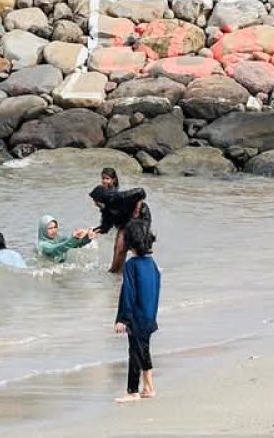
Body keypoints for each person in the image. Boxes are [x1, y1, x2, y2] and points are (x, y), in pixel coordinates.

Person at [114, 219, 161, 404]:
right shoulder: (153, 265)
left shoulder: (131, 265)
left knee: (135, 352)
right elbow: (156, 290)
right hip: (149, 315)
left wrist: (123, 319)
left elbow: (128, 293)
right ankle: (149, 387)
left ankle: (132, 391)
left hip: (137, 316)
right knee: (144, 350)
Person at [90, 168, 150, 274]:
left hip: (141, 217)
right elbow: (105, 227)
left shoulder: (117, 197)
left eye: (96, 201)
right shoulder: (107, 209)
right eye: (103, 178)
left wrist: (136, 212)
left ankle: (144, 270)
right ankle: (115, 274)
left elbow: (141, 192)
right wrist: (91, 232)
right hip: (125, 221)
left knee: (138, 247)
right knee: (119, 248)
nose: (95, 203)